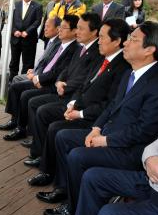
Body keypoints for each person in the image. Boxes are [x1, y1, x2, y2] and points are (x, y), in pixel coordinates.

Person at [38, 21, 158, 215]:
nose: (127, 43)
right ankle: (67, 193)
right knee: (63, 137)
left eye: (133, 39)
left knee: (78, 156)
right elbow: (113, 106)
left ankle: (75, 211)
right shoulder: (131, 74)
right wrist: (96, 128)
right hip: (110, 135)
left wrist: (106, 140)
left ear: (149, 50)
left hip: (131, 150)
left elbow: (144, 131)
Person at [27, 18, 131, 186]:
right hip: (78, 103)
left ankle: (57, 182)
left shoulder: (122, 67)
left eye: (103, 37)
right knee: (44, 113)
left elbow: (109, 104)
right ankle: (46, 166)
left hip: (93, 118)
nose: (100, 41)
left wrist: (80, 112)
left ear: (117, 41)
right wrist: (73, 103)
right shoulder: (104, 58)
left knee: (57, 129)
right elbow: (85, 83)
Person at [22, 12, 103, 166]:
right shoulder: (81, 47)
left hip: (73, 97)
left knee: (42, 110)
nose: (77, 32)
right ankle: (38, 150)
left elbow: (85, 80)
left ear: (94, 32)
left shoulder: (96, 53)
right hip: (64, 91)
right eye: (77, 28)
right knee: (35, 103)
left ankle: (41, 154)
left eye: (81, 29)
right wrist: (60, 81)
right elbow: (66, 70)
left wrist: (65, 87)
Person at [0, 15, 79, 139]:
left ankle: (22, 128)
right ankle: (15, 121)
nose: (60, 30)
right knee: (16, 87)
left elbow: (58, 72)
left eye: (63, 28)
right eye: (60, 27)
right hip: (44, 78)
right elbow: (47, 64)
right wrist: (37, 76)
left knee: (25, 95)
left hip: (52, 84)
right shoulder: (61, 44)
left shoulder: (73, 48)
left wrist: (39, 79)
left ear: (74, 31)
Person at [9, 0, 43, 80]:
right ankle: (12, 81)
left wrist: (27, 31)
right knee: (14, 62)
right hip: (15, 38)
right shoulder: (15, 4)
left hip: (29, 39)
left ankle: (23, 82)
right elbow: (10, 19)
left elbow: (37, 21)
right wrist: (14, 31)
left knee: (28, 63)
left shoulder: (37, 6)